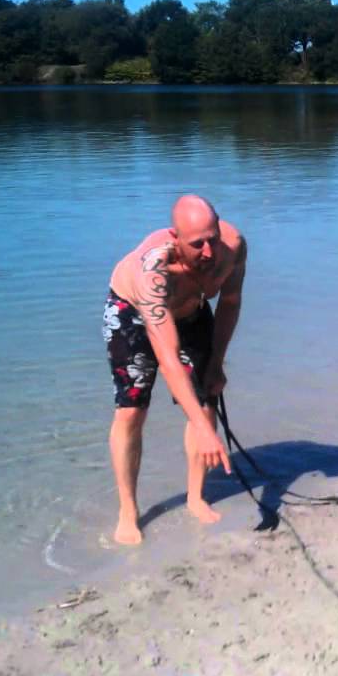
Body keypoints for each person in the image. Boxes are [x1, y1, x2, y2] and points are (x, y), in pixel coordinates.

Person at [101, 195, 246, 545]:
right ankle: (127, 510)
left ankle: (195, 497)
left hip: (192, 311)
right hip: (133, 315)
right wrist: (202, 428)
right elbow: (169, 359)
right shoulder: (153, 274)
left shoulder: (234, 247)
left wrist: (216, 364)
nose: (209, 251)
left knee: (207, 399)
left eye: (212, 238)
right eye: (197, 244)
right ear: (174, 238)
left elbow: (229, 302)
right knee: (132, 410)